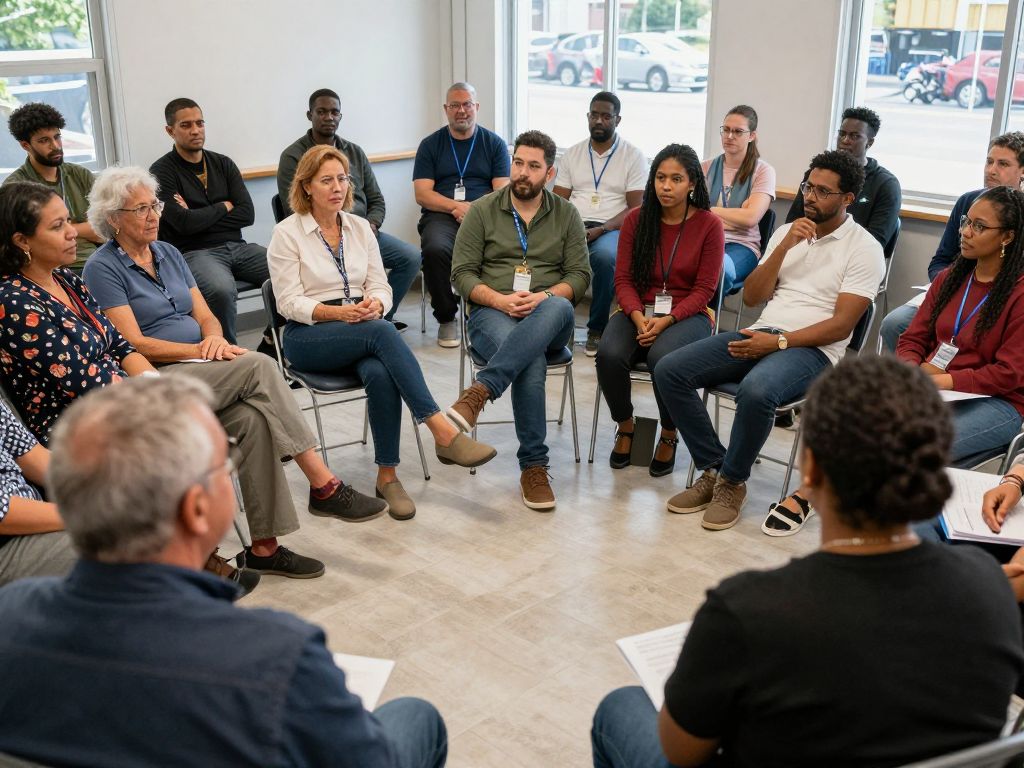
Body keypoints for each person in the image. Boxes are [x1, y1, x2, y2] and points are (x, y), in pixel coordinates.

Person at [591, 355, 1023, 768]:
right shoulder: (991, 589)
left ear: (811, 469)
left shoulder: (746, 610)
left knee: (620, 708)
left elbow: (682, 752)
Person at [0, 375, 449, 767]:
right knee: (417, 717)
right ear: (196, 509)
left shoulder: (10, 614)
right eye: (224, 464)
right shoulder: (278, 654)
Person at [83, 166, 391, 577]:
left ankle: (264, 548)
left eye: (155, 204)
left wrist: (214, 340)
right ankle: (323, 483)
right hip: (158, 377)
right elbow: (133, 344)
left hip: (201, 363)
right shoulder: (102, 268)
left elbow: (206, 315)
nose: (154, 214)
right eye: (141, 208)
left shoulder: (169, 253)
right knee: (261, 365)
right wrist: (199, 348)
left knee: (253, 420)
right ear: (113, 217)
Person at [654, 150, 884, 531]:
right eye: (809, 186)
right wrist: (782, 247)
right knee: (670, 370)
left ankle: (732, 482)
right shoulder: (787, 231)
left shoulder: (865, 248)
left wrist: (778, 344)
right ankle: (714, 468)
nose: (810, 196)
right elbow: (754, 297)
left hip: (814, 350)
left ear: (847, 199)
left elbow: (842, 327)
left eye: (824, 192)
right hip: (764, 331)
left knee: (758, 391)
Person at [269, 145, 496, 520]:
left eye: (342, 178)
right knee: (382, 334)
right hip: (308, 335)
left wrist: (375, 302)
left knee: (379, 367)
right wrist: (339, 313)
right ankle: (441, 430)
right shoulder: (287, 233)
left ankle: (387, 476)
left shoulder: (358, 227)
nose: (338, 187)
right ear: (306, 186)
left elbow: (380, 285)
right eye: (327, 180)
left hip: (360, 325)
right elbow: (288, 303)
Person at [448, 130, 591, 511]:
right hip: (491, 314)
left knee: (559, 307)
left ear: (550, 172)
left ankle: (479, 393)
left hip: (550, 315)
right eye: (518, 163)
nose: (523, 173)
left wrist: (543, 296)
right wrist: (501, 300)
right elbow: (461, 275)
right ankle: (534, 465)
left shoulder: (567, 214)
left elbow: (580, 277)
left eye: (533, 166)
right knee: (531, 360)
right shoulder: (482, 210)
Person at [595, 144, 723, 476]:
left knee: (662, 359)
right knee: (608, 353)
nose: (666, 186)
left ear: (692, 182)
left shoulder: (710, 225)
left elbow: (705, 290)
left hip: (688, 314)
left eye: (676, 179)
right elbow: (622, 279)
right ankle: (626, 425)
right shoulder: (638, 219)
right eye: (660, 178)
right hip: (637, 309)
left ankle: (669, 433)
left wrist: (665, 321)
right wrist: (639, 317)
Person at [0, 181, 157, 443]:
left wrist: (156, 385)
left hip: (120, 401)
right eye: (57, 226)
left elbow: (121, 346)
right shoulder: (13, 302)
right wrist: (160, 403)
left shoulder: (65, 278)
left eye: (68, 221)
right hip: (77, 425)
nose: (73, 233)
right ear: (22, 241)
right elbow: (81, 381)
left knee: (242, 418)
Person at [897, 185, 1024, 466]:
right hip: (937, 387)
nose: (965, 232)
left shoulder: (1019, 293)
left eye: (979, 226)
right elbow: (912, 339)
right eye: (967, 221)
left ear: (1008, 236)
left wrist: (943, 380)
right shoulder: (950, 278)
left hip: (997, 402)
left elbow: (1008, 374)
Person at [278, 88, 421, 329]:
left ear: (341, 116)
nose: (329, 117)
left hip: (361, 232)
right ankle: (370, 323)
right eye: (321, 112)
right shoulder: (293, 156)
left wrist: (369, 227)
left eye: (334, 112)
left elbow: (377, 200)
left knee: (411, 256)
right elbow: (293, 208)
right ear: (309, 115)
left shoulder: (354, 152)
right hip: (318, 236)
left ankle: (380, 314)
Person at [879, 131, 1024, 351]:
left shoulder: (1020, 216)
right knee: (894, 324)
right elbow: (940, 261)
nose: (991, 170)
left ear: (1022, 171)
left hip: (1001, 296)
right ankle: (908, 381)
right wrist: (952, 285)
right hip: (956, 289)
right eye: (989, 161)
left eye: (1003, 164)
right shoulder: (968, 201)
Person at [149, 98, 270, 346]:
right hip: (195, 252)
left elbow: (247, 214)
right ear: (170, 131)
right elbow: (182, 224)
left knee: (291, 271)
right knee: (220, 290)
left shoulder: (223, 164)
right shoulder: (161, 172)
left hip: (238, 247)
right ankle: (228, 355)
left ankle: (272, 341)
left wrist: (197, 215)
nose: (195, 130)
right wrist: (223, 206)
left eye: (199, 123)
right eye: (185, 125)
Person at [413, 82, 510, 348]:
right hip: (441, 214)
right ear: (446, 109)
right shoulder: (431, 145)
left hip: (486, 215)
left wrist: (473, 209)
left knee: (500, 247)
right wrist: (455, 207)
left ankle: (486, 313)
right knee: (435, 249)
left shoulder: (495, 144)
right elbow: (422, 193)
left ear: (476, 107)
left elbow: (502, 191)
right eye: (455, 105)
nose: (461, 111)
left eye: (467, 104)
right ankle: (446, 318)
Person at [552, 91, 647, 356]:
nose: (599, 121)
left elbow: (636, 208)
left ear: (618, 120)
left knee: (605, 258)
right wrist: (571, 228)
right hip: (576, 223)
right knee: (552, 252)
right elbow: (558, 200)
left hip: (612, 227)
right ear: (588, 117)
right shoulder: (573, 154)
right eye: (594, 115)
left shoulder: (633, 156)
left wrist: (602, 229)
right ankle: (560, 325)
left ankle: (597, 329)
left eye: (606, 116)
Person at [2, 102, 103, 270]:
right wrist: (85, 227)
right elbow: (26, 243)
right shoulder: (16, 188)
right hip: (52, 271)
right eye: (44, 141)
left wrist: (56, 230)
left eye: (57, 137)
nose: (55, 146)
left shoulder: (80, 175)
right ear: (25, 145)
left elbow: (104, 230)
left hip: (96, 264)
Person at [786, 106, 901, 249]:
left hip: (852, 255)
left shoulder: (886, 184)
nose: (845, 140)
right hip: (807, 246)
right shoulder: (817, 173)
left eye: (854, 136)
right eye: (842, 134)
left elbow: (876, 242)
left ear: (869, 143)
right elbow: (792, 222)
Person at [702, 105, 776, 297]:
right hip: (705, 239)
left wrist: (710, 210)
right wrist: (737, 215)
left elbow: (751, 218)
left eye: (737, 131)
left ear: (751, 136)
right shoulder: (705, 168)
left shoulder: (763, 171)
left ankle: (702, 321)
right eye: (725, 130)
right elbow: (692, 213)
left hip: (742, 246)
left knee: (716, 270)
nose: (729, 136)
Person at [0, 400, 76, 587]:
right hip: (6, 542)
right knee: (126, 542)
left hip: (31, 515)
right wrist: (84, 515)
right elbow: (3, 514)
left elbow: (32, 456)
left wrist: (102, 487)